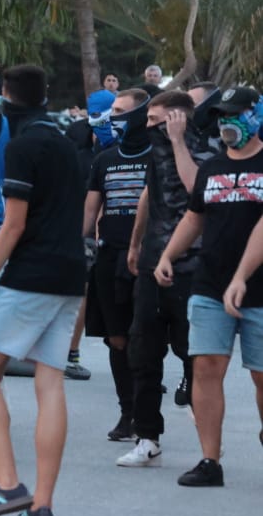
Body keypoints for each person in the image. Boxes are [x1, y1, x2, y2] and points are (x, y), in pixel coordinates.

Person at [0, 65, 86, 516]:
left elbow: (13, 224)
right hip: (71, 274)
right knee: (49, 383)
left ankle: (6, 484)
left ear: (6, 97)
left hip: (33, 273)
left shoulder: (25, 146)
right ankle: (41, 506)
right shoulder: (68, 144)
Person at [155, 86, 263, 488]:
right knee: (205, 367)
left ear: (256, 115)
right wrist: (169, 255)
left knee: (261, 376)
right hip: (210, 284)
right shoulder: (213, 168)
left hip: (258, 289)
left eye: (236, 114)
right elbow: (194, 217)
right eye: (221, 114)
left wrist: (242, 277)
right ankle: (209, 460)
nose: (226, 122)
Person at [121, 88, 211, 469]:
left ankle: (208, 439)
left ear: (178, 119)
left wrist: (176, 141)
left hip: (192, 266)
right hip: (152, 262)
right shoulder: (154, 153)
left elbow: (197, 191)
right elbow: (148, 194)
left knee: (196, 355)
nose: (148, 127)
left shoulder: (206, 150)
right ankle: (147, 436)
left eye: (156, 121)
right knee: (143, 350)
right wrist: (136, 243)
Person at [81, 89, 152, 444]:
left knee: (145, 339)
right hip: (110, 259)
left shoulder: (157, 155)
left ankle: (145, 414)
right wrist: (83, 247)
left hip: (149, 258)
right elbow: (91, 210)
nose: (114, 118)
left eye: (122, 111)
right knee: (117, 339)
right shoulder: (104, 159)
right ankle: (128, 413)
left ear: (141, 114)